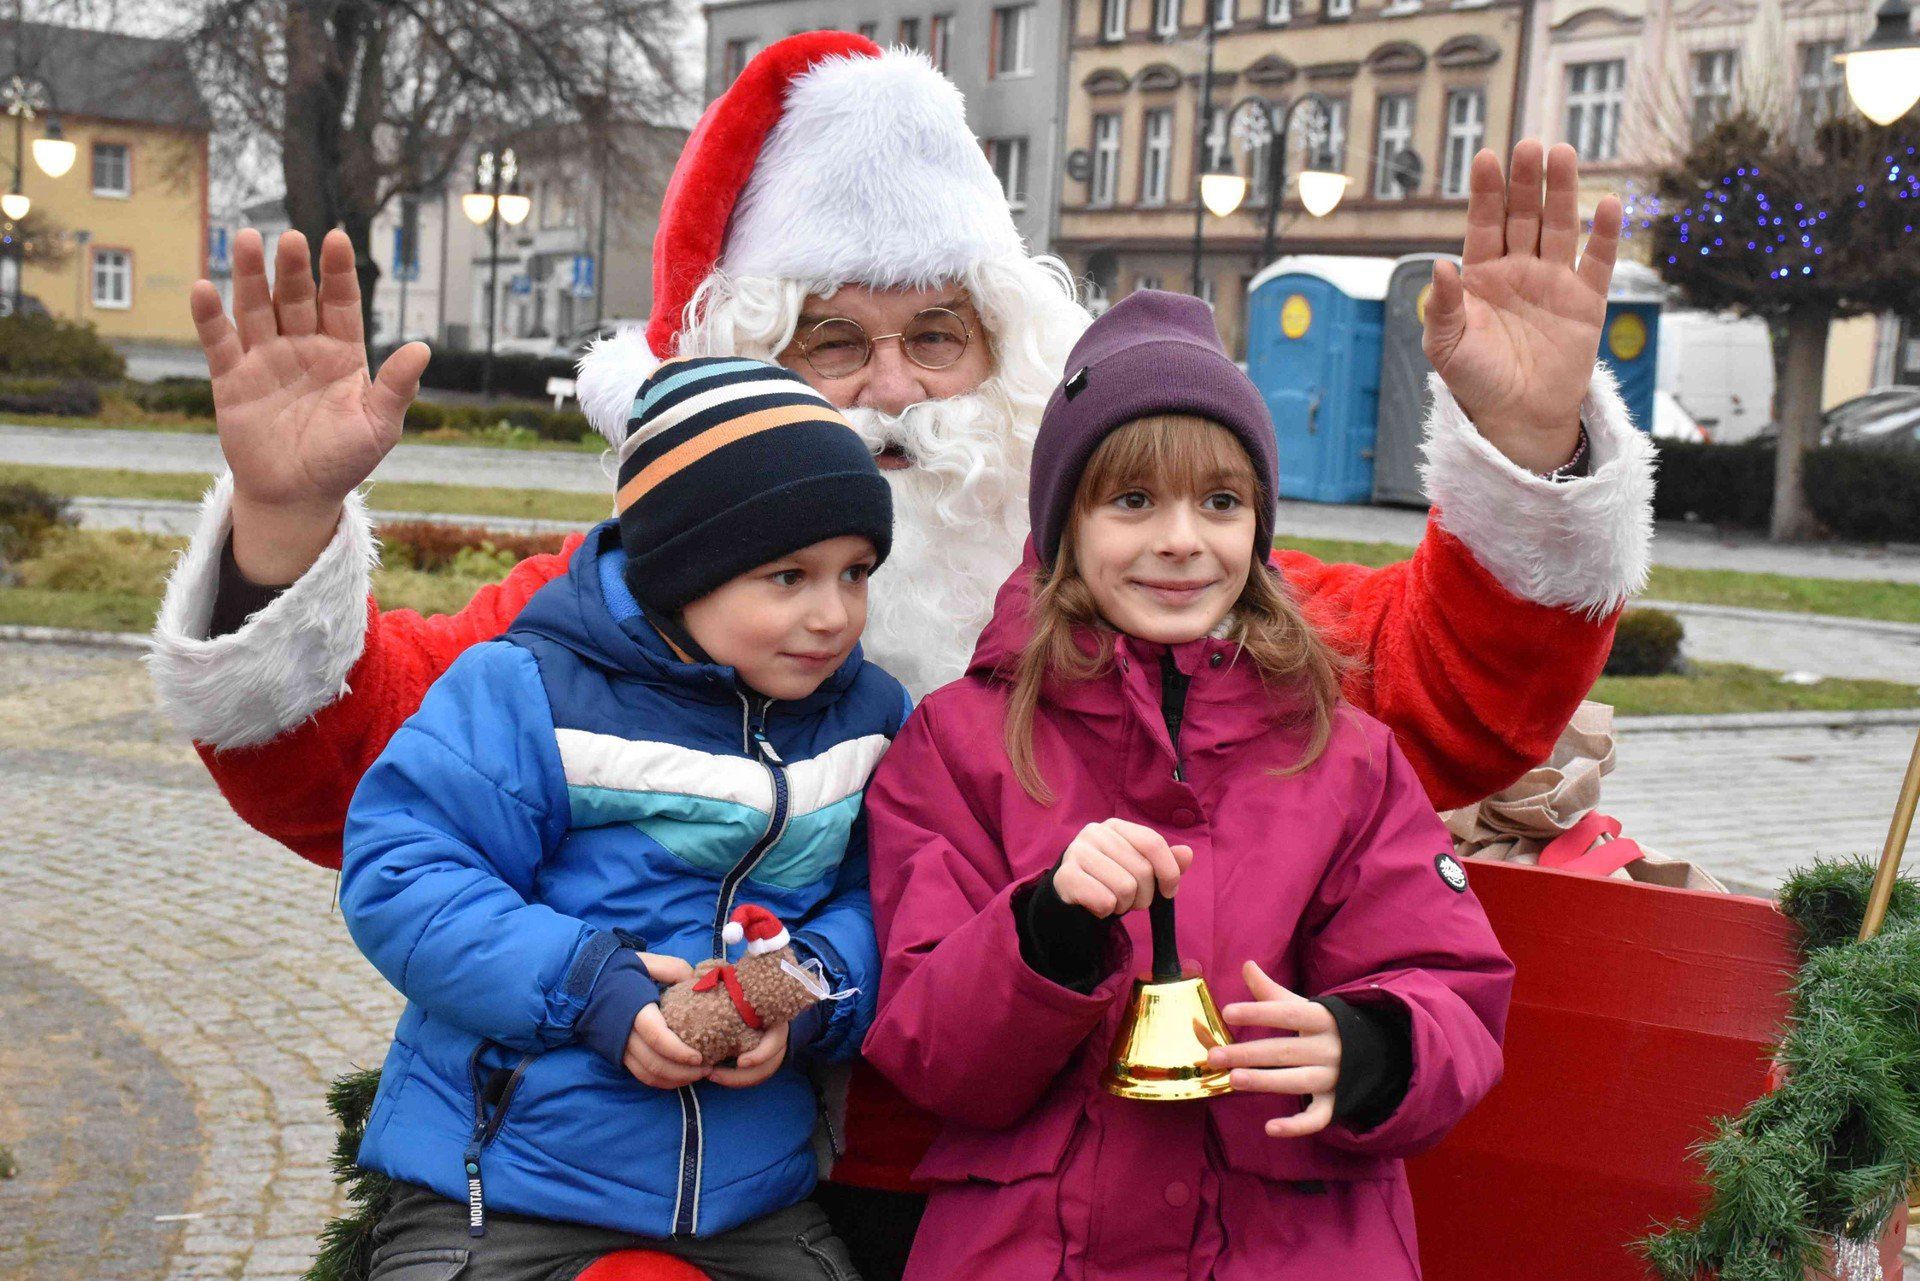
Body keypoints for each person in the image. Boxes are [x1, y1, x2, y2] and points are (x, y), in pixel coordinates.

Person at [149, 31, 1649, 1279]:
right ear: (736, 364)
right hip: (729, 1198)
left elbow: (1451, 695)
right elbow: (359, 782)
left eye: (938, 336)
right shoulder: (629, 613)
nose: (889, 393)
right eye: (828, 340)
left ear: (1010, 364)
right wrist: (281, 527)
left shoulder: (1144, 577)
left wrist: (1528, 457)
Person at [860, 291, 1515, 1278]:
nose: (1181, 539)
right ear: (1062, 526)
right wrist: (1045, 928)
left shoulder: (1345, 756)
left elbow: (1449, 984)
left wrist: (1370, 1047)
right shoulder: (961, 745)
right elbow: (930, 1053)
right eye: (1132, 501)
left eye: (1220, 502)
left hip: (1293, 1244)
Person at [339, 358, 906, 1280]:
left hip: (753, 1204)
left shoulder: (866, 718)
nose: (833, 614)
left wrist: (800, 990)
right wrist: (589, 984)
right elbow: (405, 873)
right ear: (682, 568)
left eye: (856, 573)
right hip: (507, 1194)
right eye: (789, 576)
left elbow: (888, 901)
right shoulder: (529, 691)